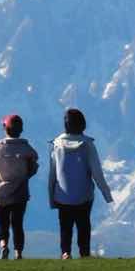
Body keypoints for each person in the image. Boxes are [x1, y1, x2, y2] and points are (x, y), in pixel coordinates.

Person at [49, 108, 112, 260]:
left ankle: (66, 252)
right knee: (84, 224)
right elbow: (96, 172)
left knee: (65, 225)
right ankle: (84, 252)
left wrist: (52, 196)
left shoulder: (56, 144)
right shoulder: (87, 145)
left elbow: (53, 174)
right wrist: (106, 194)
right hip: (84, 193)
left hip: (62, 194)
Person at [0, 114, 40, 260]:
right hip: (20, 190)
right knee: (17, 223)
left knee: (2, 222)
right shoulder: (26, 148)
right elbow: (33, 167)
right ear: (21, 129)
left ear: (4, 128)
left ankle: (3, 245)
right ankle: (18, 252)